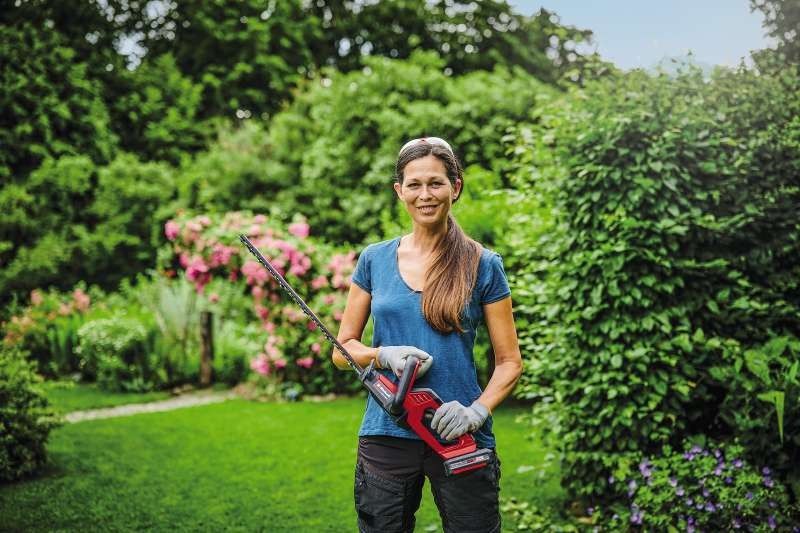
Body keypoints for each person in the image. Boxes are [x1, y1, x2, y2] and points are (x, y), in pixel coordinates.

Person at [332, 136, 522, 533]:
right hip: (388, 431)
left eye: (435, 183)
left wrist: (476, 413)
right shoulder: (373, 259)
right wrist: (383, 355)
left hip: (459, 434)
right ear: (399, 191)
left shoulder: (483, 264)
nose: (425, 195)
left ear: (455, 187)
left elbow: (509, 362)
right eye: (414, 185)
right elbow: (342, 348)